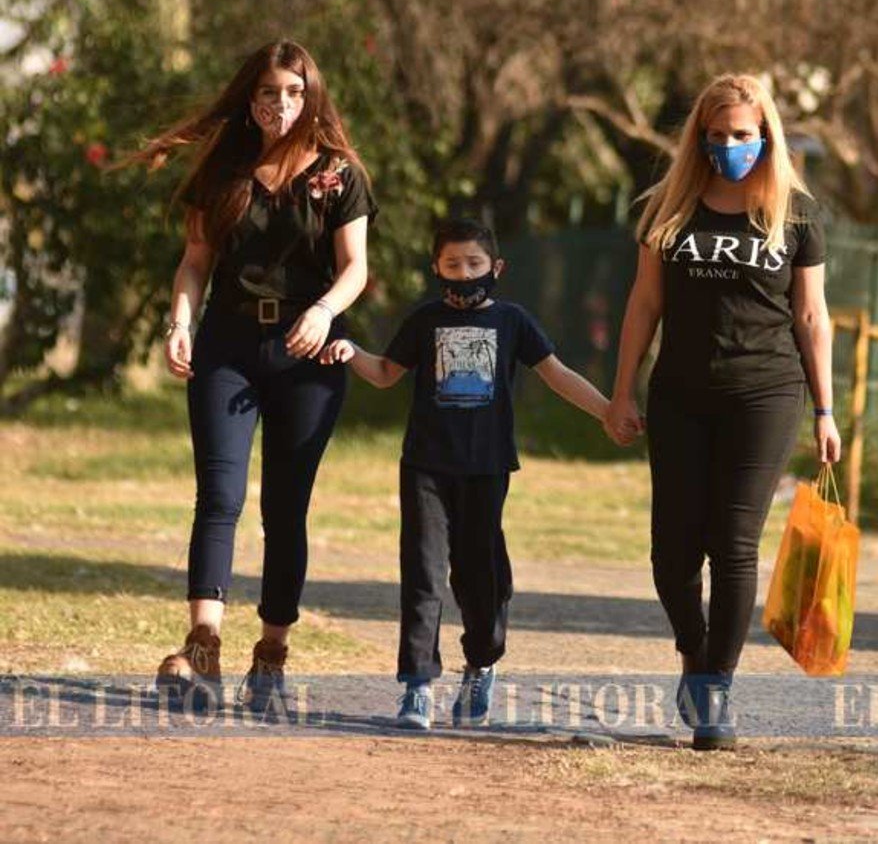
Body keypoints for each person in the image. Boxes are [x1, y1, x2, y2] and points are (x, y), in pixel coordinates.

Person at [605, 73, 840, 750]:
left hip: (764, 392)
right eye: (715, 136)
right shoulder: (665, 207)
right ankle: (693, 648)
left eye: (740, 135)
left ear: (764, 134)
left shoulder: (795, 212)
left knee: (733, 545)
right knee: (672, 551)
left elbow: (810, 315)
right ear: (698, 137)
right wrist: (621, 391)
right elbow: (643, 305)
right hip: (678, 391)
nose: (728, 147)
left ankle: (716, 690)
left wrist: (825, 411)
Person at [139, 41, 376, 711]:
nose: (281, 105)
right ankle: (202, 647)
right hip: (228, 342)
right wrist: (179, 323)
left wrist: (327, 312)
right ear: (250, 99)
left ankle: (270, 657)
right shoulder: (222, 169)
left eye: (295, 92)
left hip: (307, 350)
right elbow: (194, 261)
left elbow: (355, 266)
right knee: (219, 497)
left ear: (313, 98)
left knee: (285, 508)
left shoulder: (339, 175)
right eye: (270, 93)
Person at [320, 217, 620, 730]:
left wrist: (608, 411)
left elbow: (558, 375)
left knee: (479, 575)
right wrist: (351, 352)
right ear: (436, 268)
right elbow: (387, 374)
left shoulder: (513, 321)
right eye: (452, 265)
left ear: (495, 267)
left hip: (486, 468)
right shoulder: (423, 321)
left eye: (474, 264)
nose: (464, 274)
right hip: (425, 466)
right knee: (423, 572)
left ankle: (481, 663)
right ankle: (417, 687)